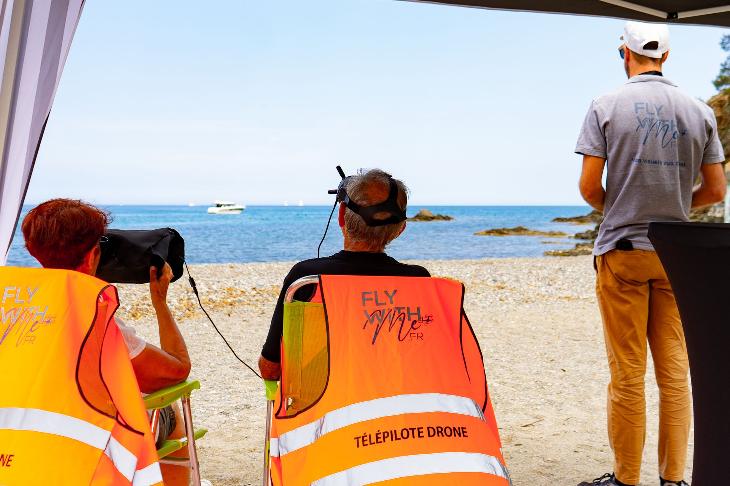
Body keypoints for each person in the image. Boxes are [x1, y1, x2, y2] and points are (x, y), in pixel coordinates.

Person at [575, 21, 726, 486]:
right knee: (676, 374)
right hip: (675, 254)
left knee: (627, 375)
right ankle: (675, 478)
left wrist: (622, 207)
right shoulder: (698, 111)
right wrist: (676, 208)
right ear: (666, 57)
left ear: (625, 53)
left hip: (623, 251)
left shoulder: (605, 105)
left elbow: (588, 187)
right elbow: (716, 190)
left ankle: (626, 480)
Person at [21, 199, 193, 486]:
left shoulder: (14, 311)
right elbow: (176, 371)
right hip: (89, 445)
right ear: (91, 257)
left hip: (21, 440)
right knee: (169, 411)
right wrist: (160, 303)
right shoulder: (94, 319)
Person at [258, 169, 430, 380]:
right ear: (400, 229)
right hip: (396, 405)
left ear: (341, 216)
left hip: (325, 409)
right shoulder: (418, 281)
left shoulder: (307, 278)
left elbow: (270, 369)